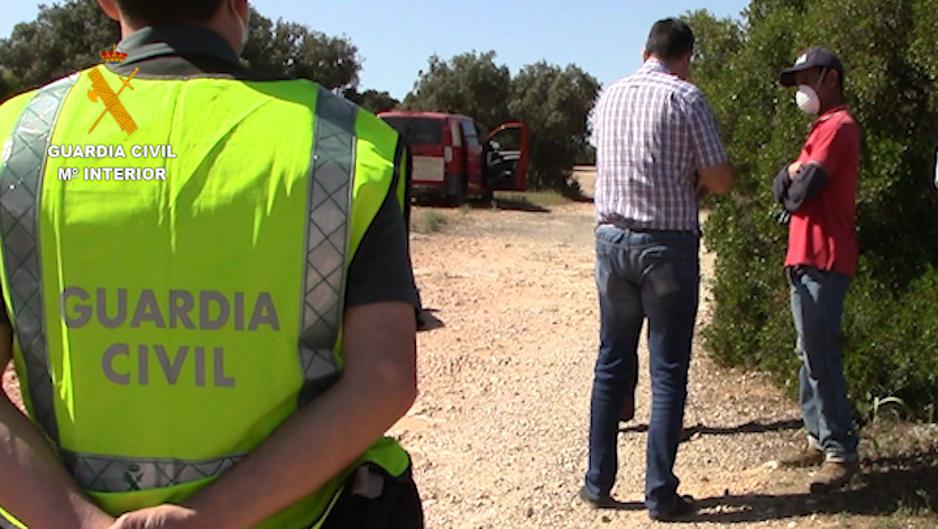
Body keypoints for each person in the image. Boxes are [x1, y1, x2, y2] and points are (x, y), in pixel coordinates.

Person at [0, 1, 423, 528]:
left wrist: (81, 521)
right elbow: (384, 378)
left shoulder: (16, 140)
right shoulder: (345, 145)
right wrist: (208, 518)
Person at [582, 18, 733, 521]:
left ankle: (597, 482)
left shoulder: (609, 95)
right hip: (666, 245)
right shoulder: (685, 99)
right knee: (668, 372)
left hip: (611, 241)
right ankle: (660, 493)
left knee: (611, 361)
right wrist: (694, 176)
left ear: (645, 49)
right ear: (685, 57)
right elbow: (720, 179)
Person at [772, 48, 862, 493]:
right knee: (807, 351)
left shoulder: (838, 127)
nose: (802, 88)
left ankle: (840, 450)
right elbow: (780, 185)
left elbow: (800, 190)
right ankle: (818, 436)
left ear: (831, 78)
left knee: (820, 352)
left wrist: (792, 179)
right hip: (805, 255)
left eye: (808, 78)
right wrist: (789, 178)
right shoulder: (820, 129)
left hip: (824, 256)